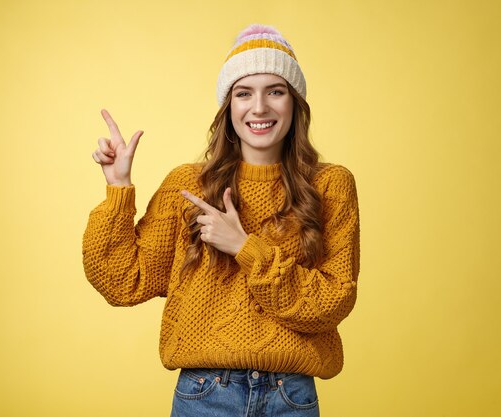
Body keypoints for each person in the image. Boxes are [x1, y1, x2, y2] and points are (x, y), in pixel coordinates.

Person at [83, 24, 360, 417]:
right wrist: (118, 187)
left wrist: (244, 248)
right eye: (243, 93)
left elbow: (333, 302)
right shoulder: (188, 185)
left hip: (291, 397)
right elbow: (122, 282)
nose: (259, 107)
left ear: (295, 103)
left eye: (275, 91)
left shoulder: (331, 185)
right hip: (206, 395)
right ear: (228, 107)